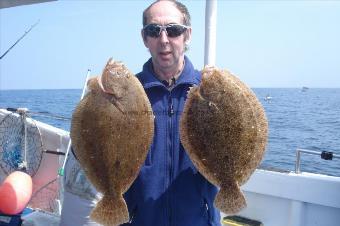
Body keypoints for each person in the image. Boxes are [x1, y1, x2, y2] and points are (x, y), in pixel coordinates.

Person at [60, 1, 221, 225]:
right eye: (154, 31)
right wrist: (93, 104)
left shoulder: (211, 93)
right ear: (145, 38)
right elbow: (84, 150)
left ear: (187, 35)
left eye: (173, 30)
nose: (164, 40)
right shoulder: (123, 93)